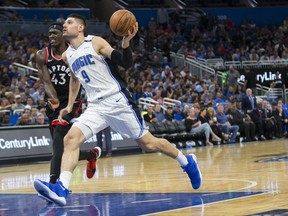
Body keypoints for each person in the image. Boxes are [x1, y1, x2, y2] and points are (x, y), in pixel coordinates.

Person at [34, 14, 202, 206]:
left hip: (118, 100)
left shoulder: (95, 42)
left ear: (81, 28)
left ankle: (187, 162)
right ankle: (62, 189)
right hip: (96, 106)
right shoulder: (68, 55)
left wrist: (126, 43)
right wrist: (70, 106)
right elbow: (75, 79)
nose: (64, 25)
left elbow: (125, 62)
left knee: (148, 144)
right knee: (70, 139)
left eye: (69, 22)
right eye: (64, 23)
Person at [35, 23, 101, 188]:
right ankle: (90, 155)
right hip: (53, 102)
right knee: (63, 149)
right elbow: (46, 81)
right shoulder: (42, 55)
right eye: (49, 33)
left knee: (58, 141)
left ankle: (52, 184)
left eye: (55, 33)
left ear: (63, 35)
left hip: (72, 103)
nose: (51, 36)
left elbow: (78, 79)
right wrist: (54, 100)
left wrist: (66, 105)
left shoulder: (74, 53)